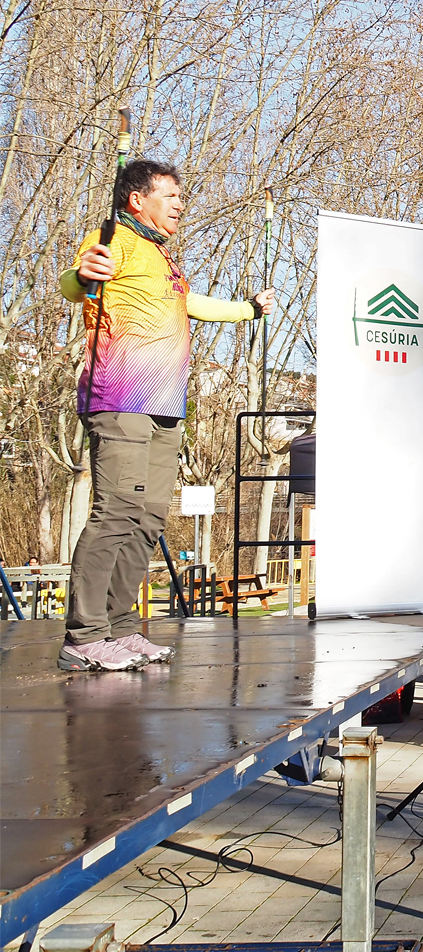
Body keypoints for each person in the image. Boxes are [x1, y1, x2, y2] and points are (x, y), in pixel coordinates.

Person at [59, 159, 274, 672]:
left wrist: (247, 309)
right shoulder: (111, 238)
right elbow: (78, 281)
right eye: (171, 195)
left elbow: (190, 303)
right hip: (120, 398)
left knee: (148, 517)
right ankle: (83, 636)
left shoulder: (163, 256)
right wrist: (82, 274)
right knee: (115, 513)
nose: (180, 204)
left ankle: (119, 630)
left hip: (166, 405)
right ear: (138, 199)